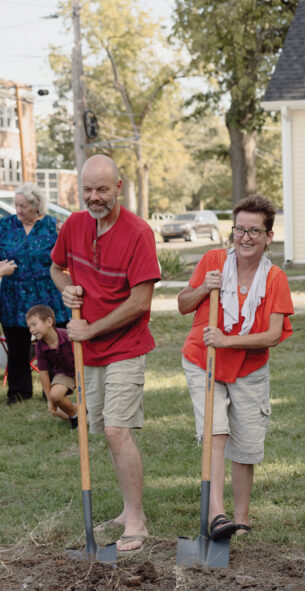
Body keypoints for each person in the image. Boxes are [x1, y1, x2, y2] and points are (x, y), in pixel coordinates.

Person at [50, 154, 160, 552]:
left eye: (101, 189)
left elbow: (141, 301)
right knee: (104, 431)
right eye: (87, 190)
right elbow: (57, 267)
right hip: (89, 351)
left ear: (118, 187)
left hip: (125, 346)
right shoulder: (75, 226)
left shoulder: (137, 233)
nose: (94, 197)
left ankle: (137, 521)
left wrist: (90, 328)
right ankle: (126, 509)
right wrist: (66, 287)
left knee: (117, 429)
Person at [178, 195, 293, 540]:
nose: (245, 237)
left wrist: (226, 341)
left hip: (249, 368)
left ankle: (240, 520)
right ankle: (217, 515)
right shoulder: (213, 261)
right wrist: (203, 288)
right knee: (216, 431)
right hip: (203, 361)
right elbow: (183, 304)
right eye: (239, 229)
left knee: (246, 444)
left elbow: (273, 335)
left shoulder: (275, 279)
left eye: (254, 231)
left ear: (268, 237)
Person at [0, 183, 69, 405]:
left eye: (24, 206)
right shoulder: (5, 226)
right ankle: (19, 393)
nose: (19, 210)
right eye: (16, 205)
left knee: (53, 343)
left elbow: (68, 257)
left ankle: (57, 388)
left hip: (48, 294)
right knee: (18, 346)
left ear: (36, 205)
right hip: (14, 296)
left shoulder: (52, 227)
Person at [26, 304, 77, 429]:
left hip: (84, 369)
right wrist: (50, 400)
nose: (31, 330)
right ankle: (76, 417)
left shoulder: (68, 336)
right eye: (29, 327)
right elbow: (43, 373)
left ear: (49, 321)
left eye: (34, 324)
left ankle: (87, 412)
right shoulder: (39, 347)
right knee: (55, 398)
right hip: (65, 372)